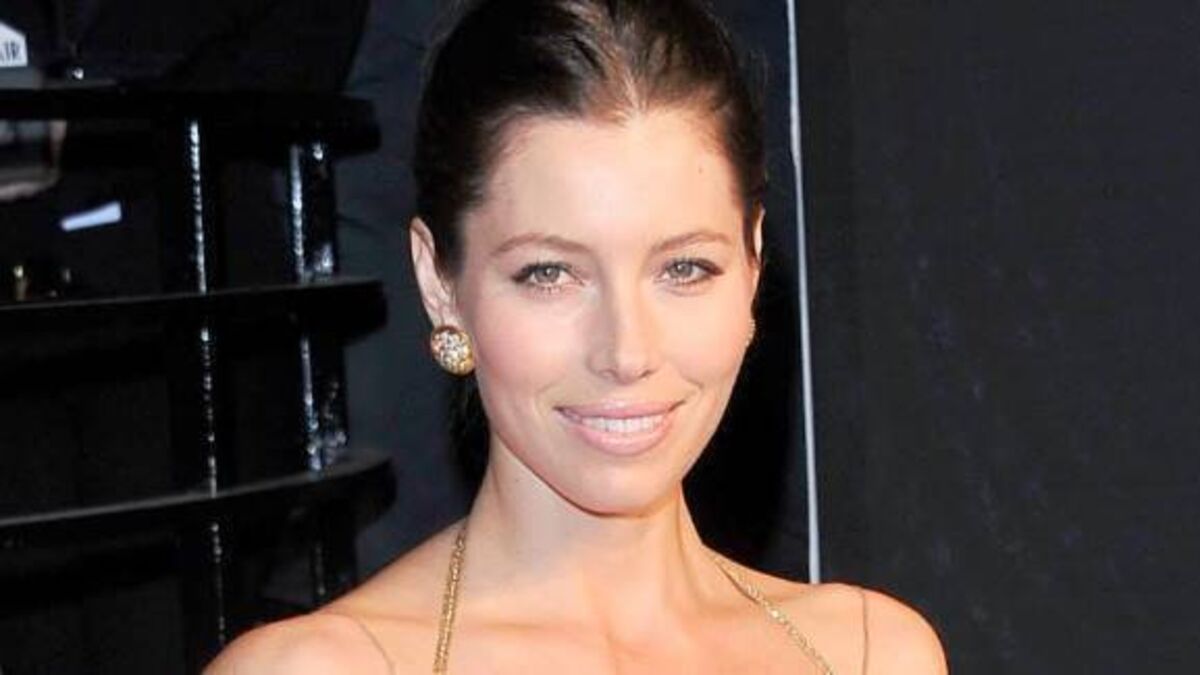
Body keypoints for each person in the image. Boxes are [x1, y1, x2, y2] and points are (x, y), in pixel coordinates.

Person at [206, 0, 947, 672]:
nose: (627, 352)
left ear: (753, 266)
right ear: (440, 284)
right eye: (550, 274)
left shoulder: (870, 654)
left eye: (684, 268)